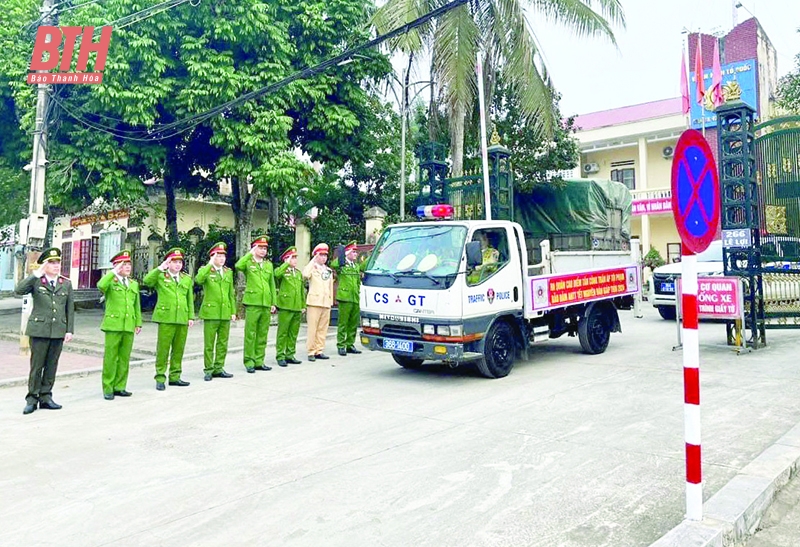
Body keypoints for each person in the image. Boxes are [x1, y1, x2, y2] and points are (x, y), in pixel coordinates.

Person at [15, 247, 74, 415]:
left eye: (57, 262)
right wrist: (36, 273)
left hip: (58, 330)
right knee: (37, 366)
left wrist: (69, 330)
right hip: (39, 330)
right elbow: (18, 290)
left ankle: (46, 397)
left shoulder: (66, 283)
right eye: (51, 263)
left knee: (51, 365)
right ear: (44, 265)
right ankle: (32, 399)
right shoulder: (36, 281)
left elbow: (70, 309)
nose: (56, 266)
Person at [143, 247, 195, 391]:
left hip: (182, 317)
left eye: (180, 262)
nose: (178, 265)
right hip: (166, 317)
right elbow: (147, 281)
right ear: (168, 262)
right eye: (174, 262)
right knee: (163, 349)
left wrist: (191, 316)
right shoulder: (161, 276)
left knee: (179, 349)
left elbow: (189, 299)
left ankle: (175, 376)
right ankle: (160, 377)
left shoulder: (186, 278)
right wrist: (160, 268)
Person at [97, 250, 142, 400]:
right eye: (124, 264)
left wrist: (138, 322)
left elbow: (136, 305)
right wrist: (113, 272)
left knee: (124, 357)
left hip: (129, 324)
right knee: (111, 357)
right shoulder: (110, 281)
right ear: (116, 266)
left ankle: (120, 386)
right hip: (113, 324)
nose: (128, 267)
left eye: (129, 264)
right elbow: (100, 285)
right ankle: (108, 387)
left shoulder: (133, 283)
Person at [235, 235, 277, 373]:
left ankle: (259, 360)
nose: (263, 250)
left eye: (265, 248)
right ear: (254, 248)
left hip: (265, 302)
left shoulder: (268, 265)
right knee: (250, 333)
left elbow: (271, 284)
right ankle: (249, 361)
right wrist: (249, 254)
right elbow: (238, 265)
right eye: (260, 247)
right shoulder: (248, 263)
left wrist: (273, 302)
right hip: (253, 302)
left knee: (262, 333)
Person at [195, 242, 236, 382]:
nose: (222, 258)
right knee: (209, 343)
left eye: (223, 256)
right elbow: (198, 280)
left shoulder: (228, 272)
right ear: (212, 257)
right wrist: (210, 264)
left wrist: (233, 311)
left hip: (225, 311)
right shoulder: (206, 270)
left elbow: (231, 293)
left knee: (223, 342)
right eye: (218, 256)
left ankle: (219, 367)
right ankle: (208, 369)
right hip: (211, 312)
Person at [274, 246, 305, 367]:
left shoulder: (297, 273)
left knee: (293, 332)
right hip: (285, 306)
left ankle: (290, 354)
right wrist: (286, 264)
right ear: (286, 259)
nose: (295, 260)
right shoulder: (282, 271)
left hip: (296, 306)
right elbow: (276, 275)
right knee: (283, 332)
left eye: (296, 258)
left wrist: (302, 305)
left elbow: (301, 291)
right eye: (292, 258)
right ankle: (280, 355)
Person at [332, 241, 365, 357]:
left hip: (355, 297)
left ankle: (350, 344)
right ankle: (341, 345)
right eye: (353, 252)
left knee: (353, 323)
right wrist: (342, 256)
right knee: (343, 323)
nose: (356, 254)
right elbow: (334, 265)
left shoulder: (356, 266)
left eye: (356, 252)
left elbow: (365, 266)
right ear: (347, 253)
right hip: (345, 297)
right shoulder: (342, 265)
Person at [303, 243, 334, 362]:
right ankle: (311, 351)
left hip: (325, 302)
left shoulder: (328, 270)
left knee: (322, 328)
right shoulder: (312, 268)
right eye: (321, 255)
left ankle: (319, 350)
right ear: (316, 255)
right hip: (314, 302)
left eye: (325, 255)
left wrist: (330, 301)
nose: (323, 258)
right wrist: (313, 261)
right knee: (313, 328)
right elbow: (305, 274)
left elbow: (330, 286)